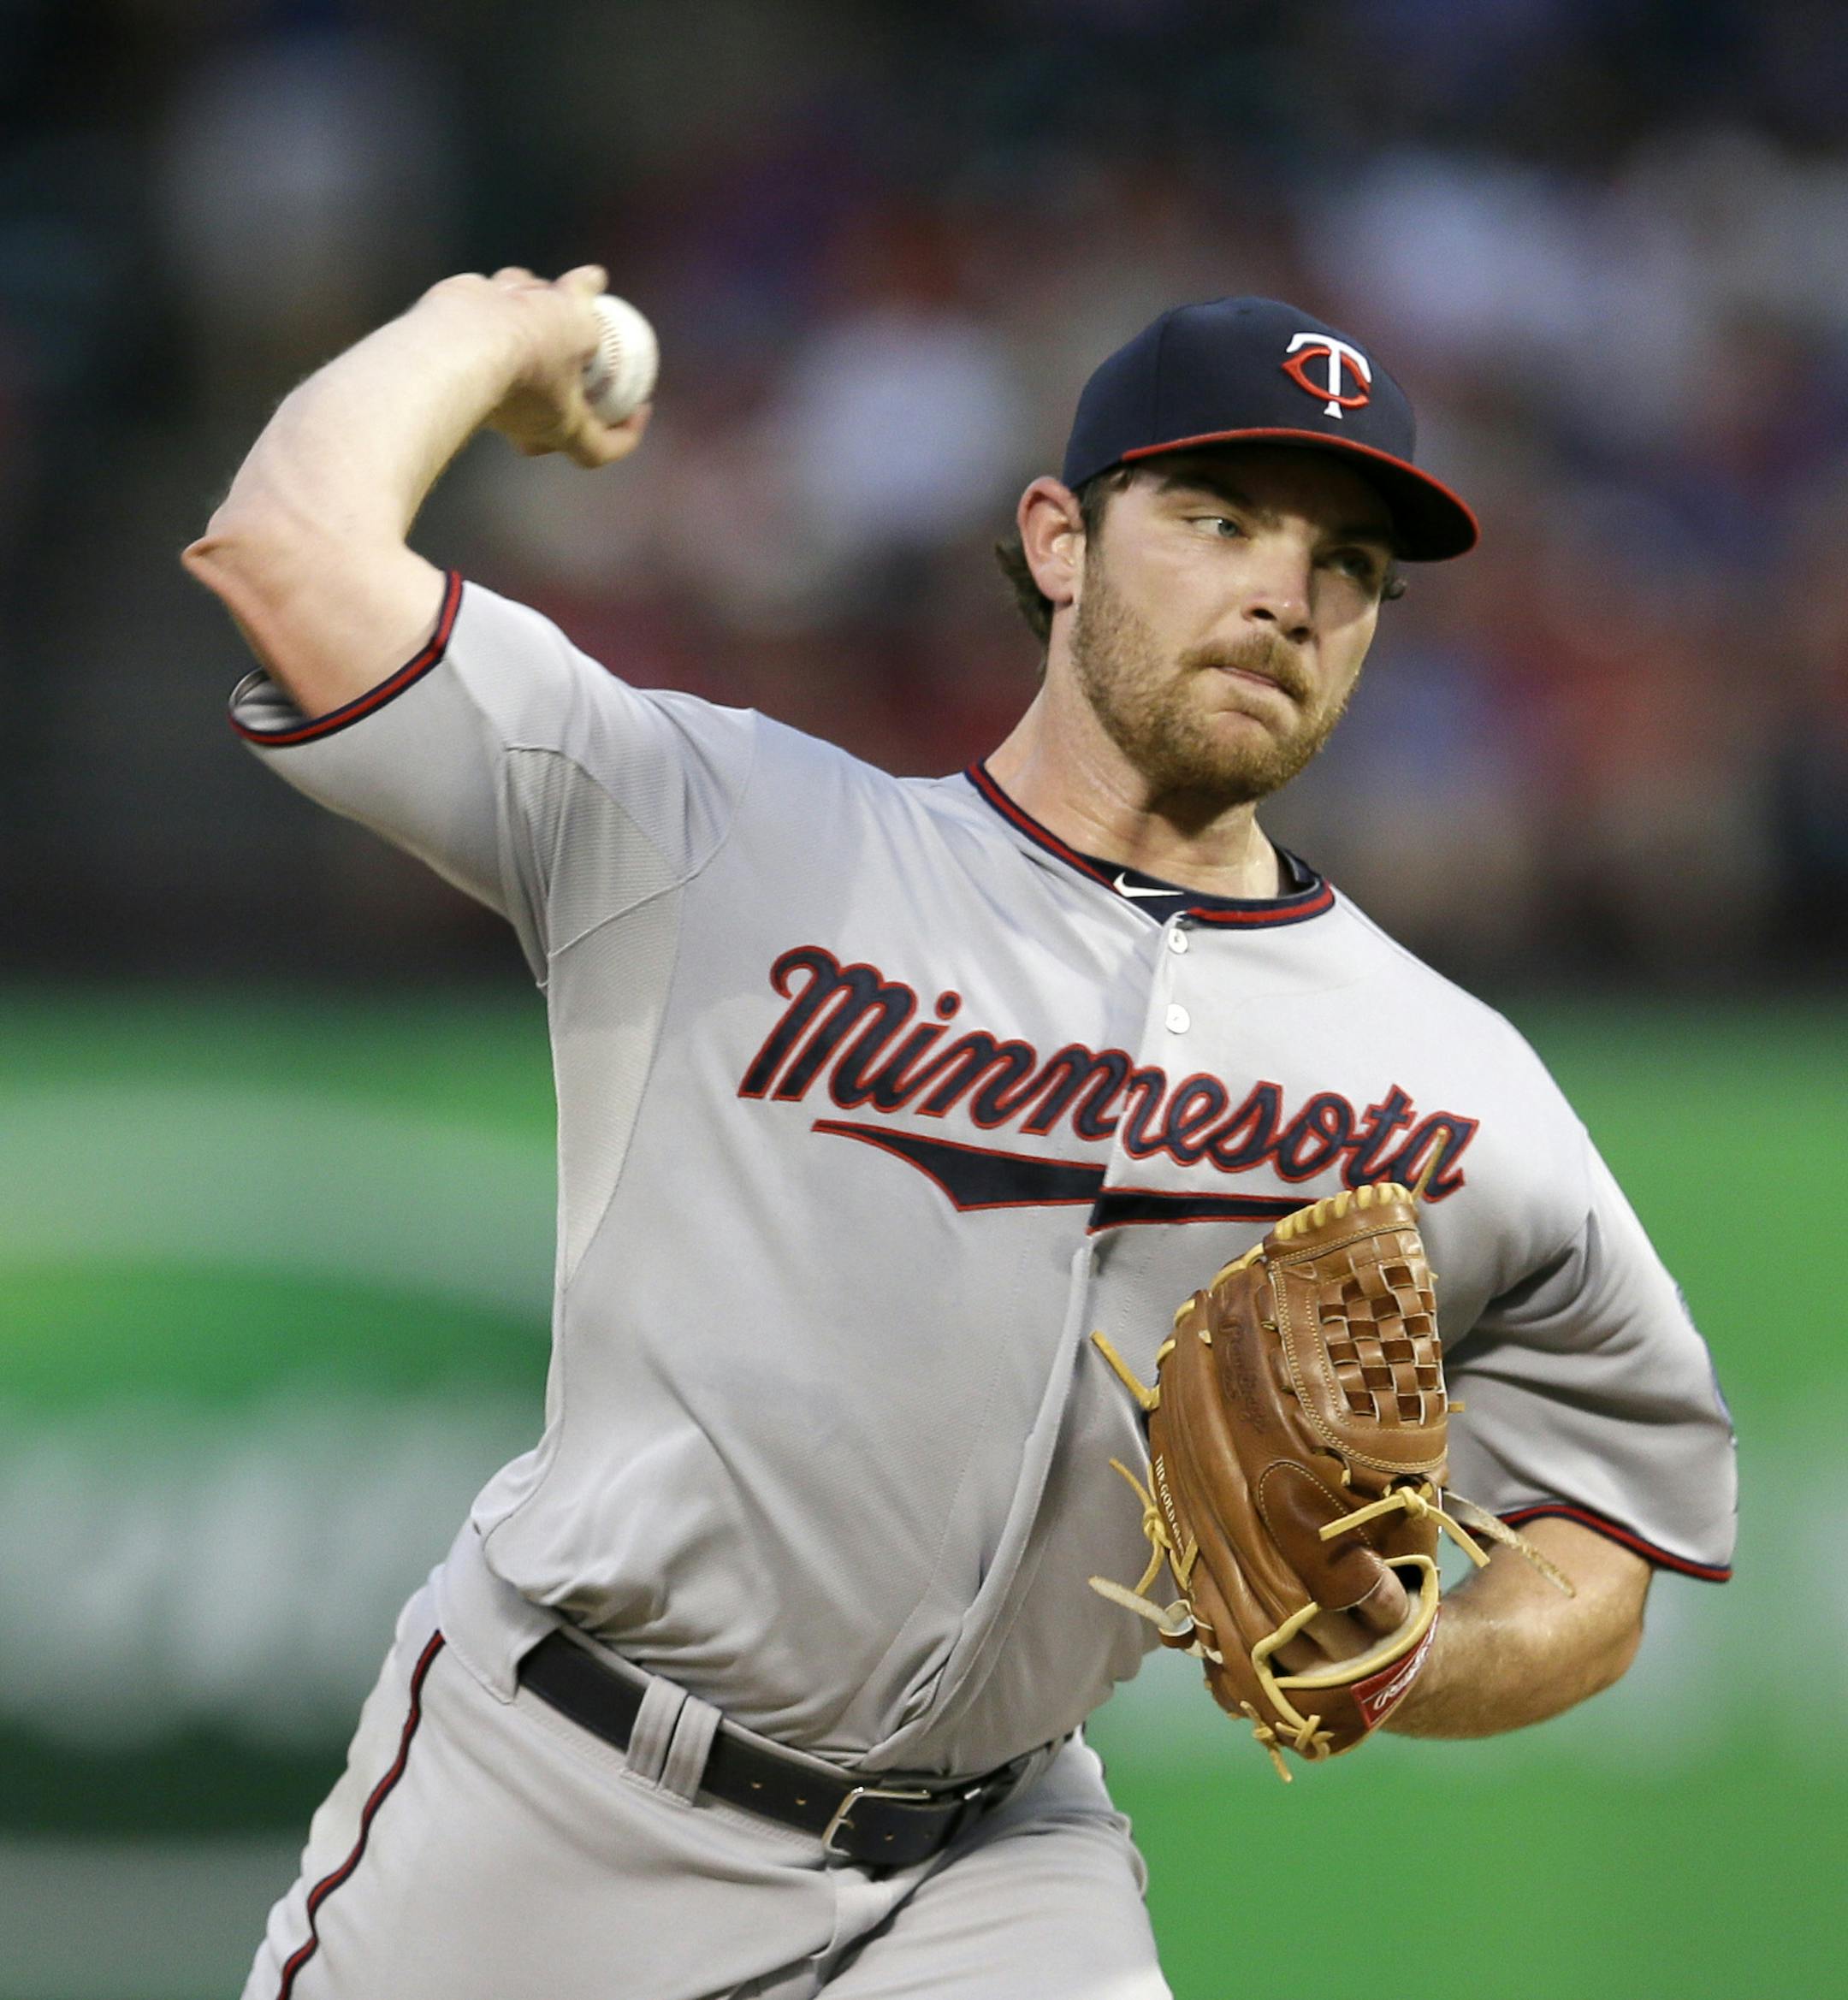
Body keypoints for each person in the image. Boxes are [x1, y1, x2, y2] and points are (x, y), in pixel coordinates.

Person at [184, 269, 1736, 2000]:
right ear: (1058, 539)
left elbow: (1605, 1547)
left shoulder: (1452, 1075)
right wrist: (501, 331)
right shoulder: (723, 826)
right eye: (1219, 517)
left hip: (990, 1870)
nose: (1286, 593)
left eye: (1347, 564)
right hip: (559, 1795)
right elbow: (284, 551)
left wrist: (1415, 1656)